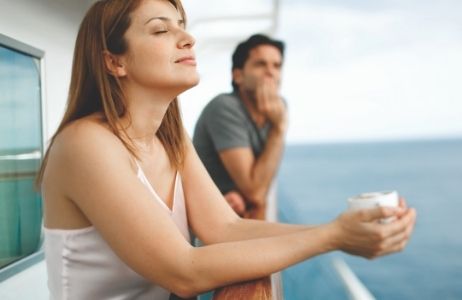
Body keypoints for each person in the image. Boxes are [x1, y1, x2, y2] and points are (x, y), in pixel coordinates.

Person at [38, 0, 417, 299]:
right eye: (160, 30)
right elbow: (184, 271)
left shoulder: (170, 137)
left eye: (183, 27)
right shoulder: (84, 145)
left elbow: (225, 228)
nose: (187, 39)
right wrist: (334, 237)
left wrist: (345, 230)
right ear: (113, 61)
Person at [193, 34, 286, 219]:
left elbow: (263, 190)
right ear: (238, 75)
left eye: (277, 66)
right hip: (209, 224)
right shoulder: (225, 107)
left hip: (245, 219)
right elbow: (255, 192)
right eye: (260, 64)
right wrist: (278, 129)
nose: (270, 72)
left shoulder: (278, 107)